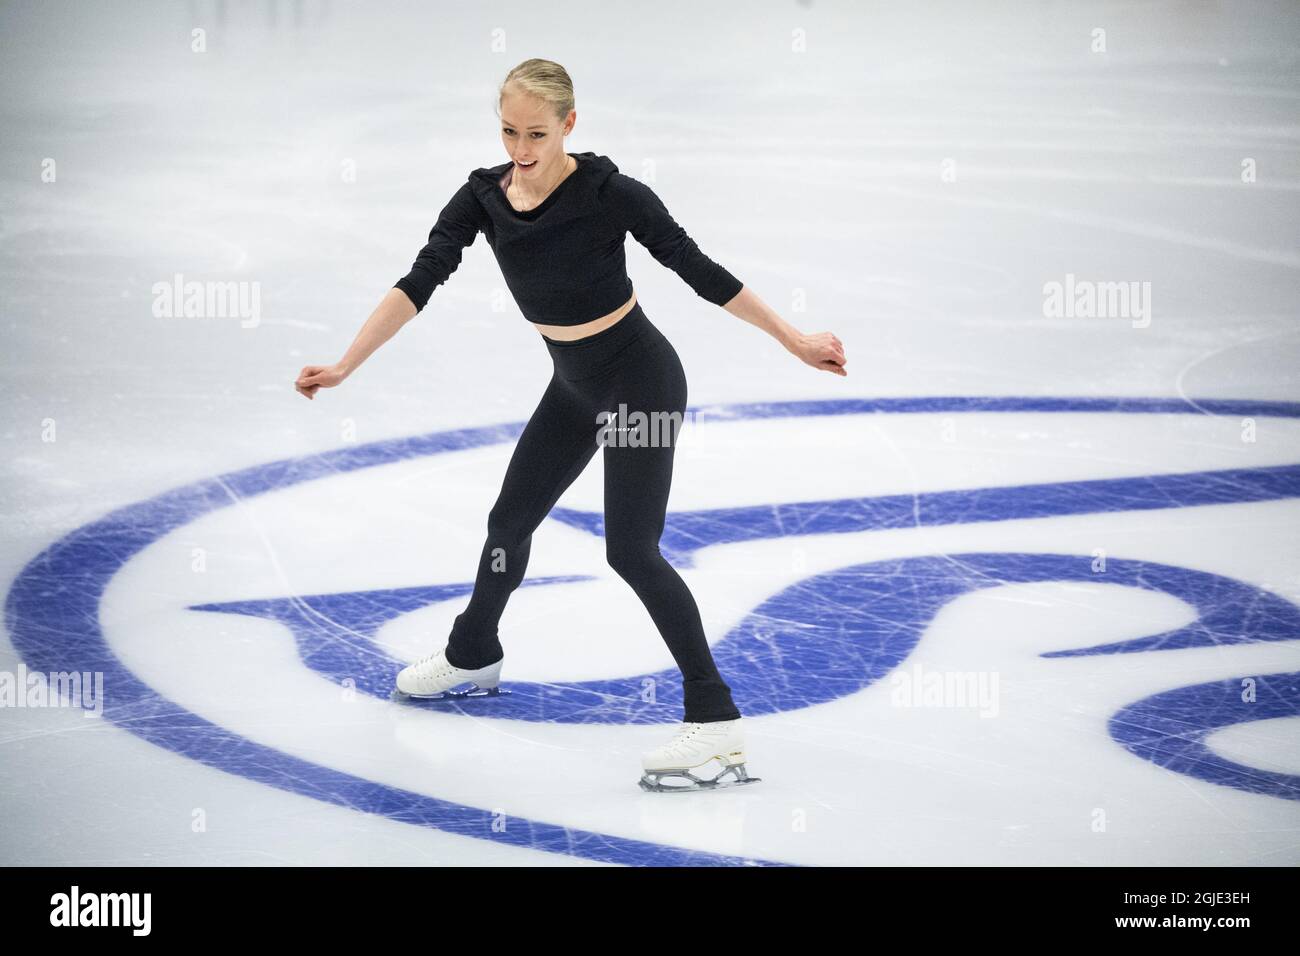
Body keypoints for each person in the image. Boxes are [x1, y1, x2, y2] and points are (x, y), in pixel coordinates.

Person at [295, 58, 846, 792]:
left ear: (569, 125)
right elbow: (419, 279)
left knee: (632, 550)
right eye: (509, 131)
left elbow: (699, 268)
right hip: (576, 387)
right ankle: (472, 652)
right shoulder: (482, 197)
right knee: (507, 523)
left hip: (641, 385)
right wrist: (346, 365)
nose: (522, 148)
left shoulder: (609, 194)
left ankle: (716, 725)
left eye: (537, 133)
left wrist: (795, 338)